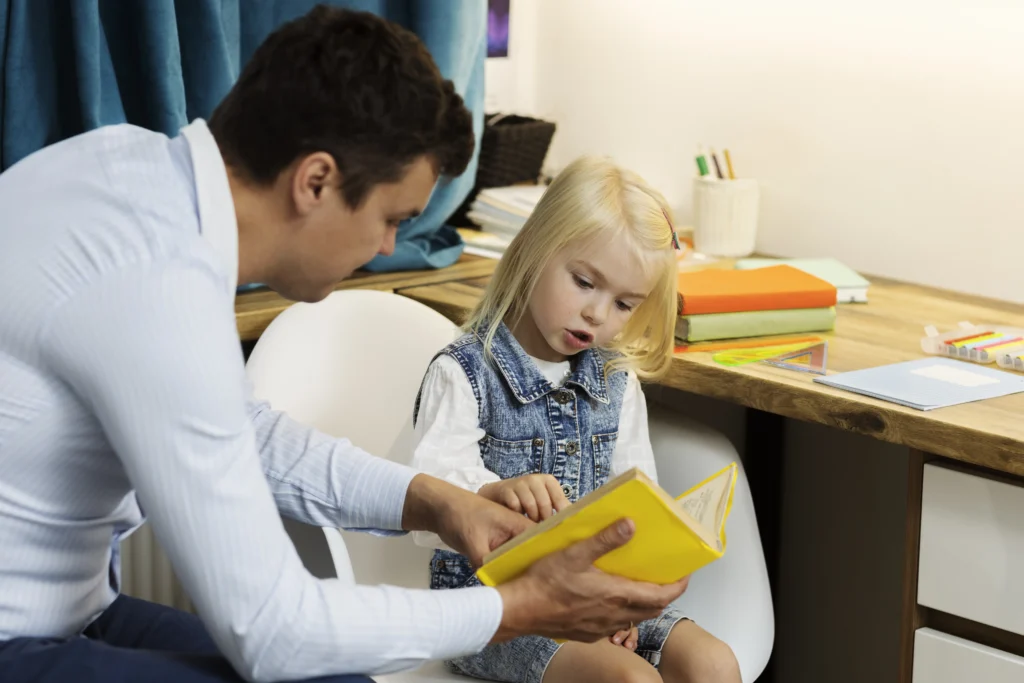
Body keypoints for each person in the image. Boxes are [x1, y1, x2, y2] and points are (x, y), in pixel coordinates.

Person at [0, 7, 687, 683]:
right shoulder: (153, 281)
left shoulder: (143, 180)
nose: (389, 247)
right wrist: (513, 607)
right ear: (317, 181)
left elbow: (246, 434)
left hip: (74, 610)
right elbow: (273, 629)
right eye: (391, 218)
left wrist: (441, 502)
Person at [411, 157, 743, 683]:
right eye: (585, 282)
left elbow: (637, 502)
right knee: (629, 679)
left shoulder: (616, 380)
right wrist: (494, 492)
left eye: (624, 304)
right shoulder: (465, 372)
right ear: (536, 248)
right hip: (493, 609)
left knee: (714, 664)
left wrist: (624, 603)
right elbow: (427, 504)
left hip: (598, 592)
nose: (598, 314)